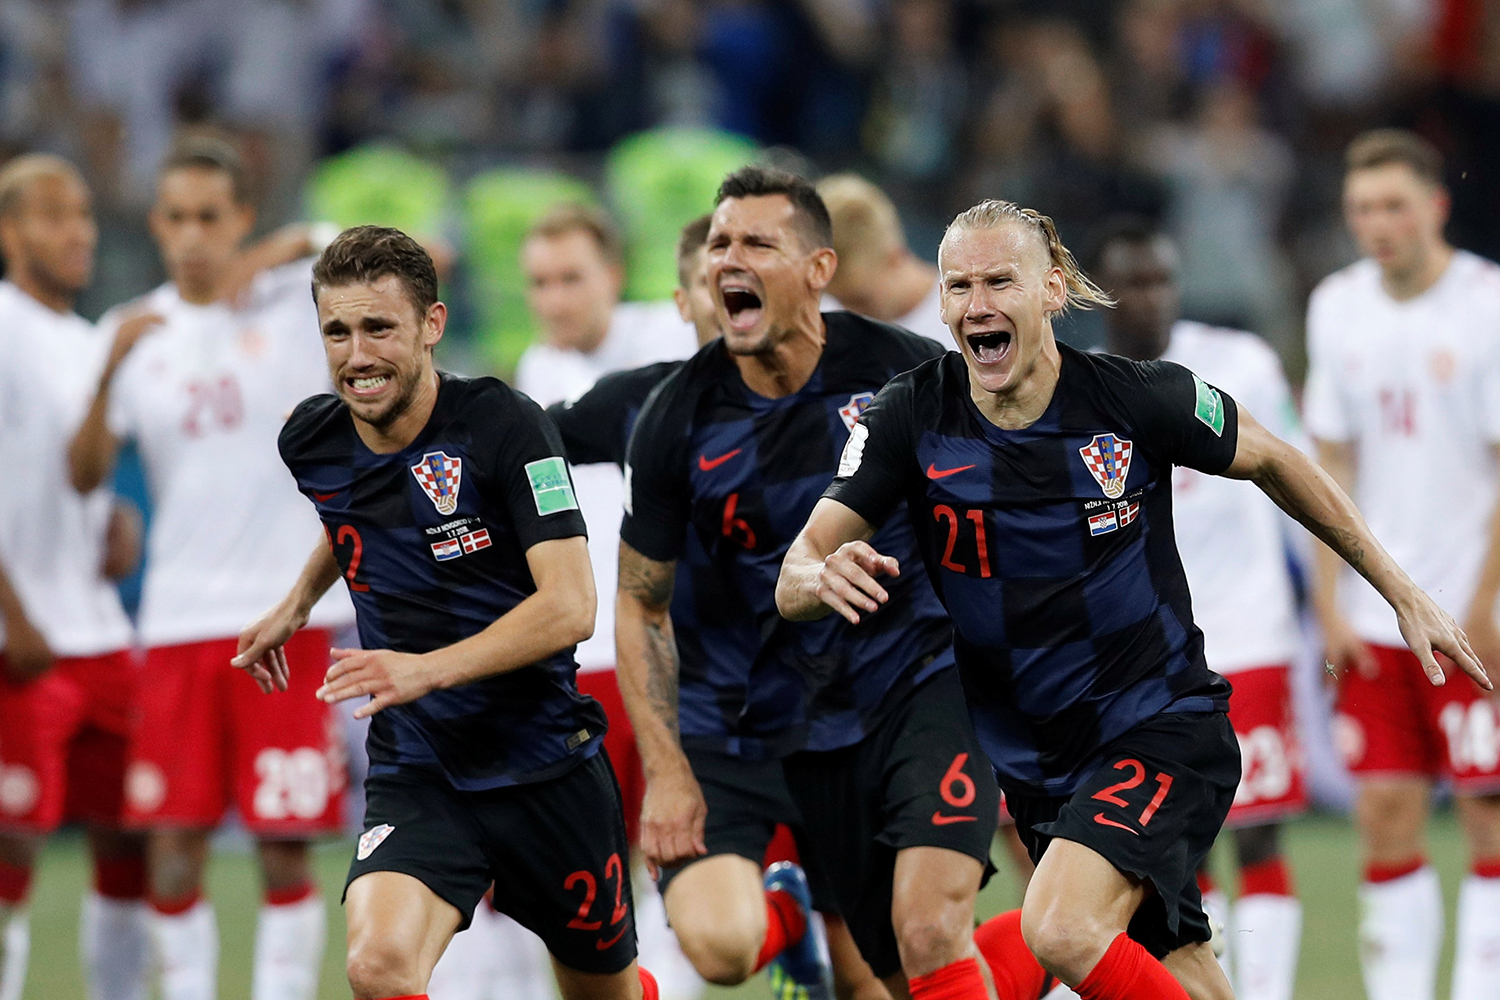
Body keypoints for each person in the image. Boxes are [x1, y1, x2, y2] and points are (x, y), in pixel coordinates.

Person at [778, 197, 1487, 1000]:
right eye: (958, 287)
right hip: (1039, 764)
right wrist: (813, 579)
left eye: (999, 282)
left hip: (1159, 728)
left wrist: (1399, 589)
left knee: (1060, 928)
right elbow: (800, 563)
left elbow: (1278, 460)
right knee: (1185, 975)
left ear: (1052, 289)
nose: (976, 306)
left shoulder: (1136, 399)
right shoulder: (909, 413)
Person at [232, 225, 661, 1000]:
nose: (356, 354)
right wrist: (295, 604)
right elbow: (354, 518)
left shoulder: (507, 425)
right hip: (419, 767)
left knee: (606, 992)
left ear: (431, 325)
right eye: (337, 330)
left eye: (378, 328)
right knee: (377, 967)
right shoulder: (313, 440)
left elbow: (570, 606)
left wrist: (422, 669)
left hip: (545, 764)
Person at [619, 166, 999, 1000]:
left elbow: (992, 537)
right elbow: (641, 602)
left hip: (908, 693)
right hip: (744, 725)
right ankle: (789, 913)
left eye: (758, 242)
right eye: (719, 243)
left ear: (820, 270)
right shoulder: (675, 418)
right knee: (724, 952)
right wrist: (668, 770)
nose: (729, 259)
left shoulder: (910, 376)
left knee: (923, 939)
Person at [68, 138, 352, 1000]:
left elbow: (409, 254)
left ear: (241, 219)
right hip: (178, 618)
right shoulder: (132, 331)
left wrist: (279, 251)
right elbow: (82, 473)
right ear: (155, 224)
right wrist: (107, 370)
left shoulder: (292, 306)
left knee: (284, 842)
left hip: (290, 616)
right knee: (172, 843)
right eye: (178, 218)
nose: (193, 236)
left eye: (211, 218)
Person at [428, 203, 700, 1000]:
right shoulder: (535, 374)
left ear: (615, 275)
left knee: (678, 862)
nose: (555, 300)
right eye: (539, 283)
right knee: (537, 881)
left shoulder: (672, 343)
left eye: (571, 278)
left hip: (661, 656)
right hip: (568, 663)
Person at [1304, 129, 1500, 1000]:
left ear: (1435, 207)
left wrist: (1490, 603)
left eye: (1393, 206)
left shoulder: (1487, 305)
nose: (1377, 224)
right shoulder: (1337, 306)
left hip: (1472, 606)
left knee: (1488, 816)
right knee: (1384, 812)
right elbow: (1326, 467)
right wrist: (1327, 599)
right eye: (1362, 210)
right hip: (1379, 614)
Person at [1093, 216, 1309, 1000]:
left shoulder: (1238, 362)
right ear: (1099, 294)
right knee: (1176, 855)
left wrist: (1324, 597)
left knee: (1257, 833)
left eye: (1160, 280)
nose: (1149, 298)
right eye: (1131, 283)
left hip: (1248, 634)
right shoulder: (1086, 386)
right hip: (1150, 658)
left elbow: (1294, 472)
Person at [0, 154, 149, 1000]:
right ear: (10, 231)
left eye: (85, 213)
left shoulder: (87, 339)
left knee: (128, 835)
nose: (79, 231)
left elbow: (85, 473)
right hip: (23, 639)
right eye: (54, 215)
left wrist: (116, 522)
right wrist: (12, 610)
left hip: (96, 633)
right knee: (13, 845)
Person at [818, 174, 950, 346]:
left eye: (860, 301)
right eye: (839, 300)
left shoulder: (963, 323)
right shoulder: (822, 320)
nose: (850, 314)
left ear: (896, 256)